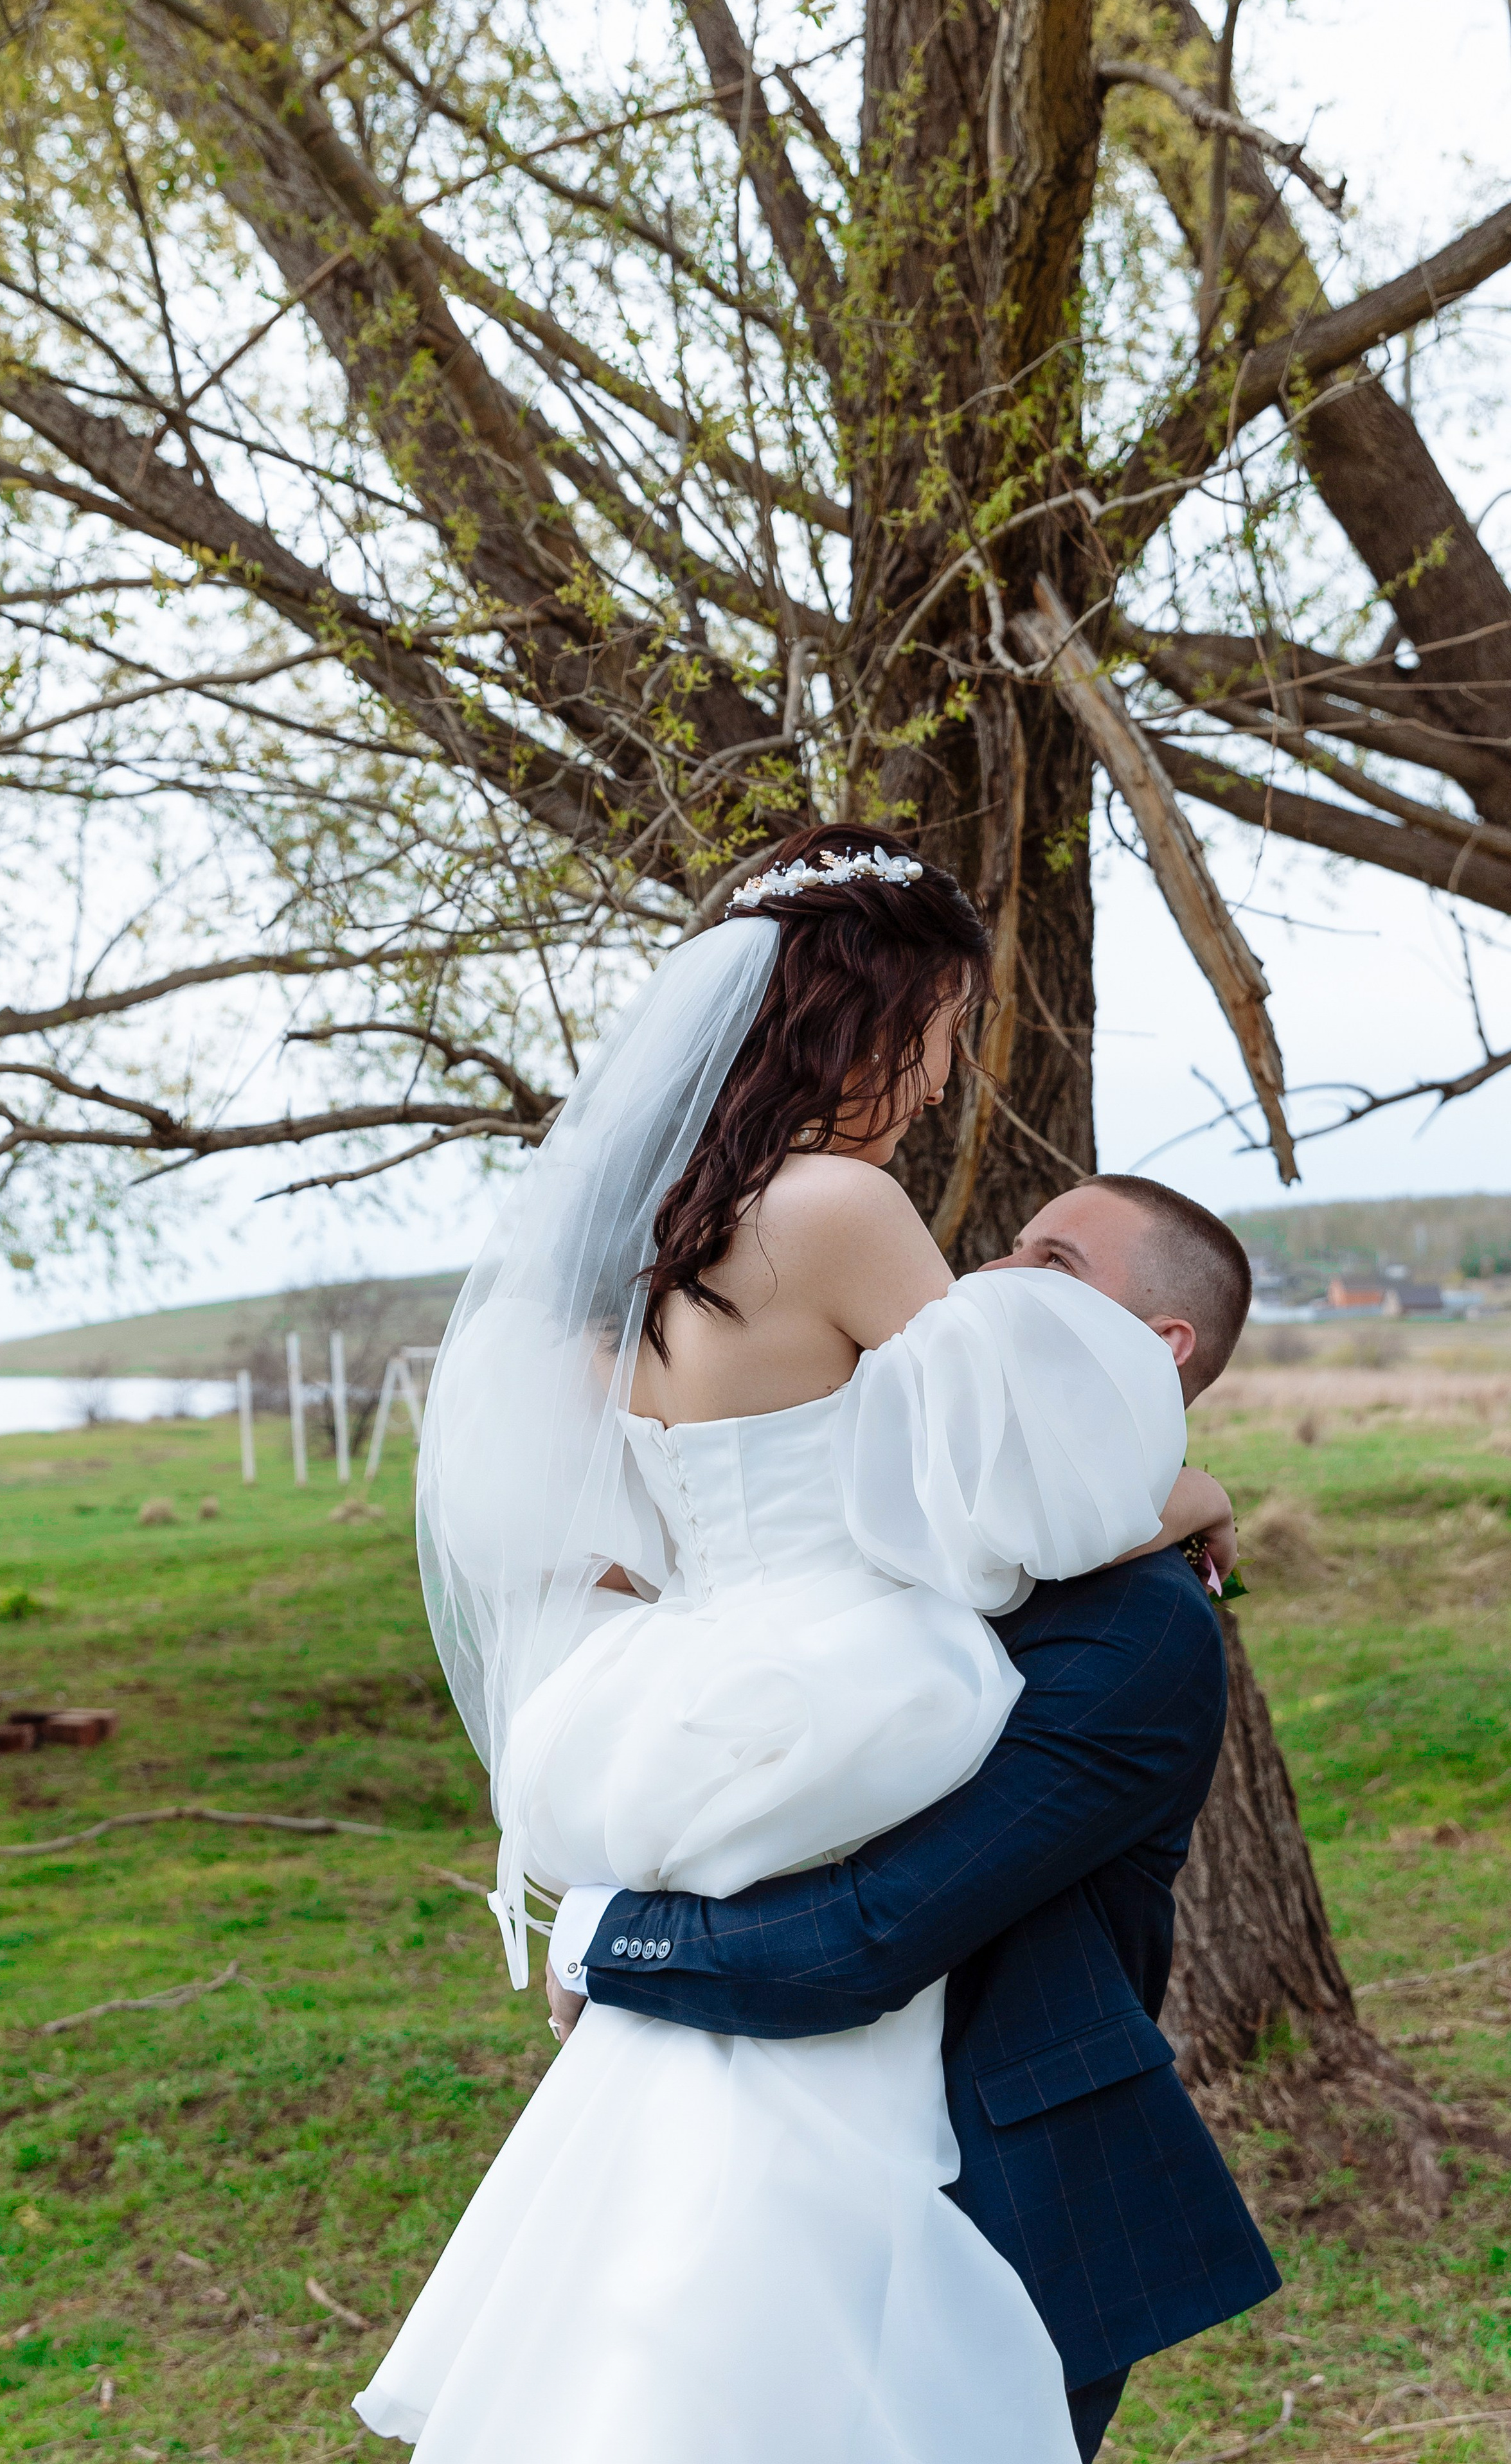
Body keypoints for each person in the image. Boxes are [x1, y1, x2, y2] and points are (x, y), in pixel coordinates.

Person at [353, 824, 1250, 2461]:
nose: (942, 1069)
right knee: (815, 2140)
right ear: (870, 1011)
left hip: (689, 1668)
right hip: (834, 1667)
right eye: (944, 1025)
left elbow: (583, 1515)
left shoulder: (634, 1249)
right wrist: (1185, 1484)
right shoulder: (838, 1203)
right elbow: (1007, 1479)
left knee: (683, 2164)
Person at [546, 1174, 1283, 2462]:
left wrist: (601, 1943)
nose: (989, 1281)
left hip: (993, 2205)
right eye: (999, 1248)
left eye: (1049, 1265)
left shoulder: (1142, 1631)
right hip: (774, 2161)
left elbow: (870, 1936)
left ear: (1154, 1348)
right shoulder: (927, 1528)